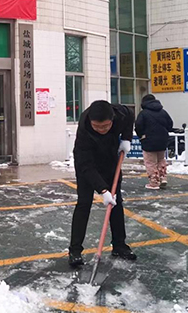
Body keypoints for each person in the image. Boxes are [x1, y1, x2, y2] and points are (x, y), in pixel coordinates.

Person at [68, 100, 137, 267]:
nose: (101, 130)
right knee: (84, 204)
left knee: (116, 203)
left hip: (111, 161)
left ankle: (119, 245)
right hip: (87, 165)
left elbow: (130, 115)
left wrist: (126, 139)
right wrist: (103, 190)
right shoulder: (84, 131)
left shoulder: (120, 114)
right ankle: (75, 251)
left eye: (105, 126)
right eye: (97, 126)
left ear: (112, 119)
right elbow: (86, 166)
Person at [135, 94, 174, 190]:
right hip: (163, 140)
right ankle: (163, 178)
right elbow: (170, 124)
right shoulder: (163, 112)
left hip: (149, 140)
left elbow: (138, 126)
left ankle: (154, 182)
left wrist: (141, 135)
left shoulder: (143, 113)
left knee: (150, 162)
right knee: (161, 159)